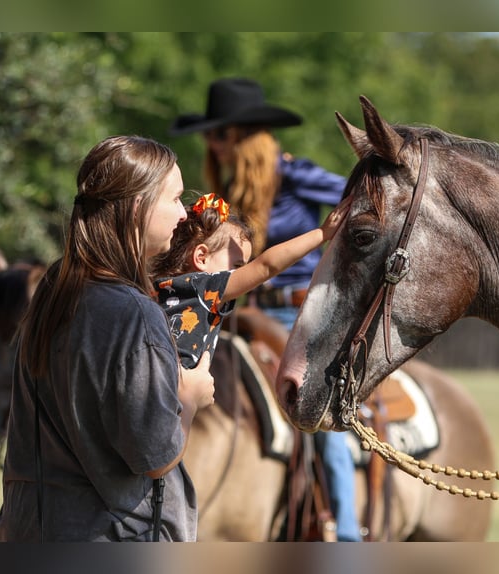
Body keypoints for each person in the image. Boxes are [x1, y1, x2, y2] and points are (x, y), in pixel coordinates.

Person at [169, 77, 362, 542]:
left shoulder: (294, 174)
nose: (211, 145)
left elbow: (363, 198)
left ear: (245, 136)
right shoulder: (225, 194)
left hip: (293, 313)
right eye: (210, 135)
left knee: (311, 403)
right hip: (238, 309)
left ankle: (348, 531)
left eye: (219, 134)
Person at [0, 135, 216, 542]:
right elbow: (154, 458)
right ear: (138, 205)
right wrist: (190, 400)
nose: (185, 214)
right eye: (174, 199)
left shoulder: (55, 287)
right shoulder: (134, 314)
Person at [150, 192, 349, 370]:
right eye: (237, 266)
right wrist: (322, 233)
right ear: (201, 257)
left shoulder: (163, 287)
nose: (244, 274)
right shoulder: (201, 287)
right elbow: (266, 266)